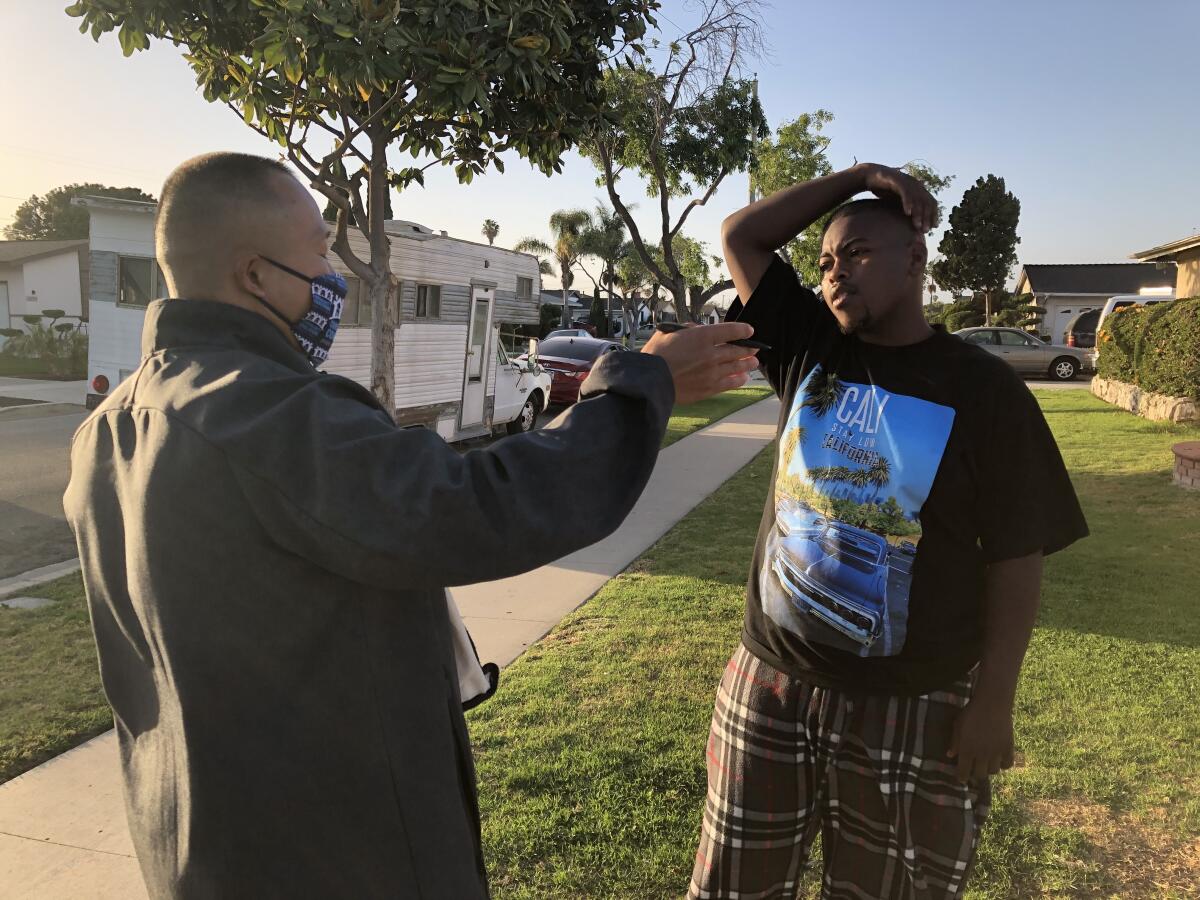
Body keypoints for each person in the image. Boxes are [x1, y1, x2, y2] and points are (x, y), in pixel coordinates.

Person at [63, 152, 759, 899]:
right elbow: (475, 504)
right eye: (317, 253)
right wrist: (637, 384)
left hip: (200, 843)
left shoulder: (107, 430)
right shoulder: (258, 412)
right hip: (329, 854)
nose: (334, 272)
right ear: (254, 275)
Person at [687, 163, 1088, 899]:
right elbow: (742, 235)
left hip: (913, 703)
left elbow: (1017, 556)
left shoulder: (985, 392)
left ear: (916, 261)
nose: (837, 274)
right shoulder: (810, 347)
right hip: (771, 682)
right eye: (828, 262)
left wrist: (993, 703)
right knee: (732, 886)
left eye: (860, 254)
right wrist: (858, 177)